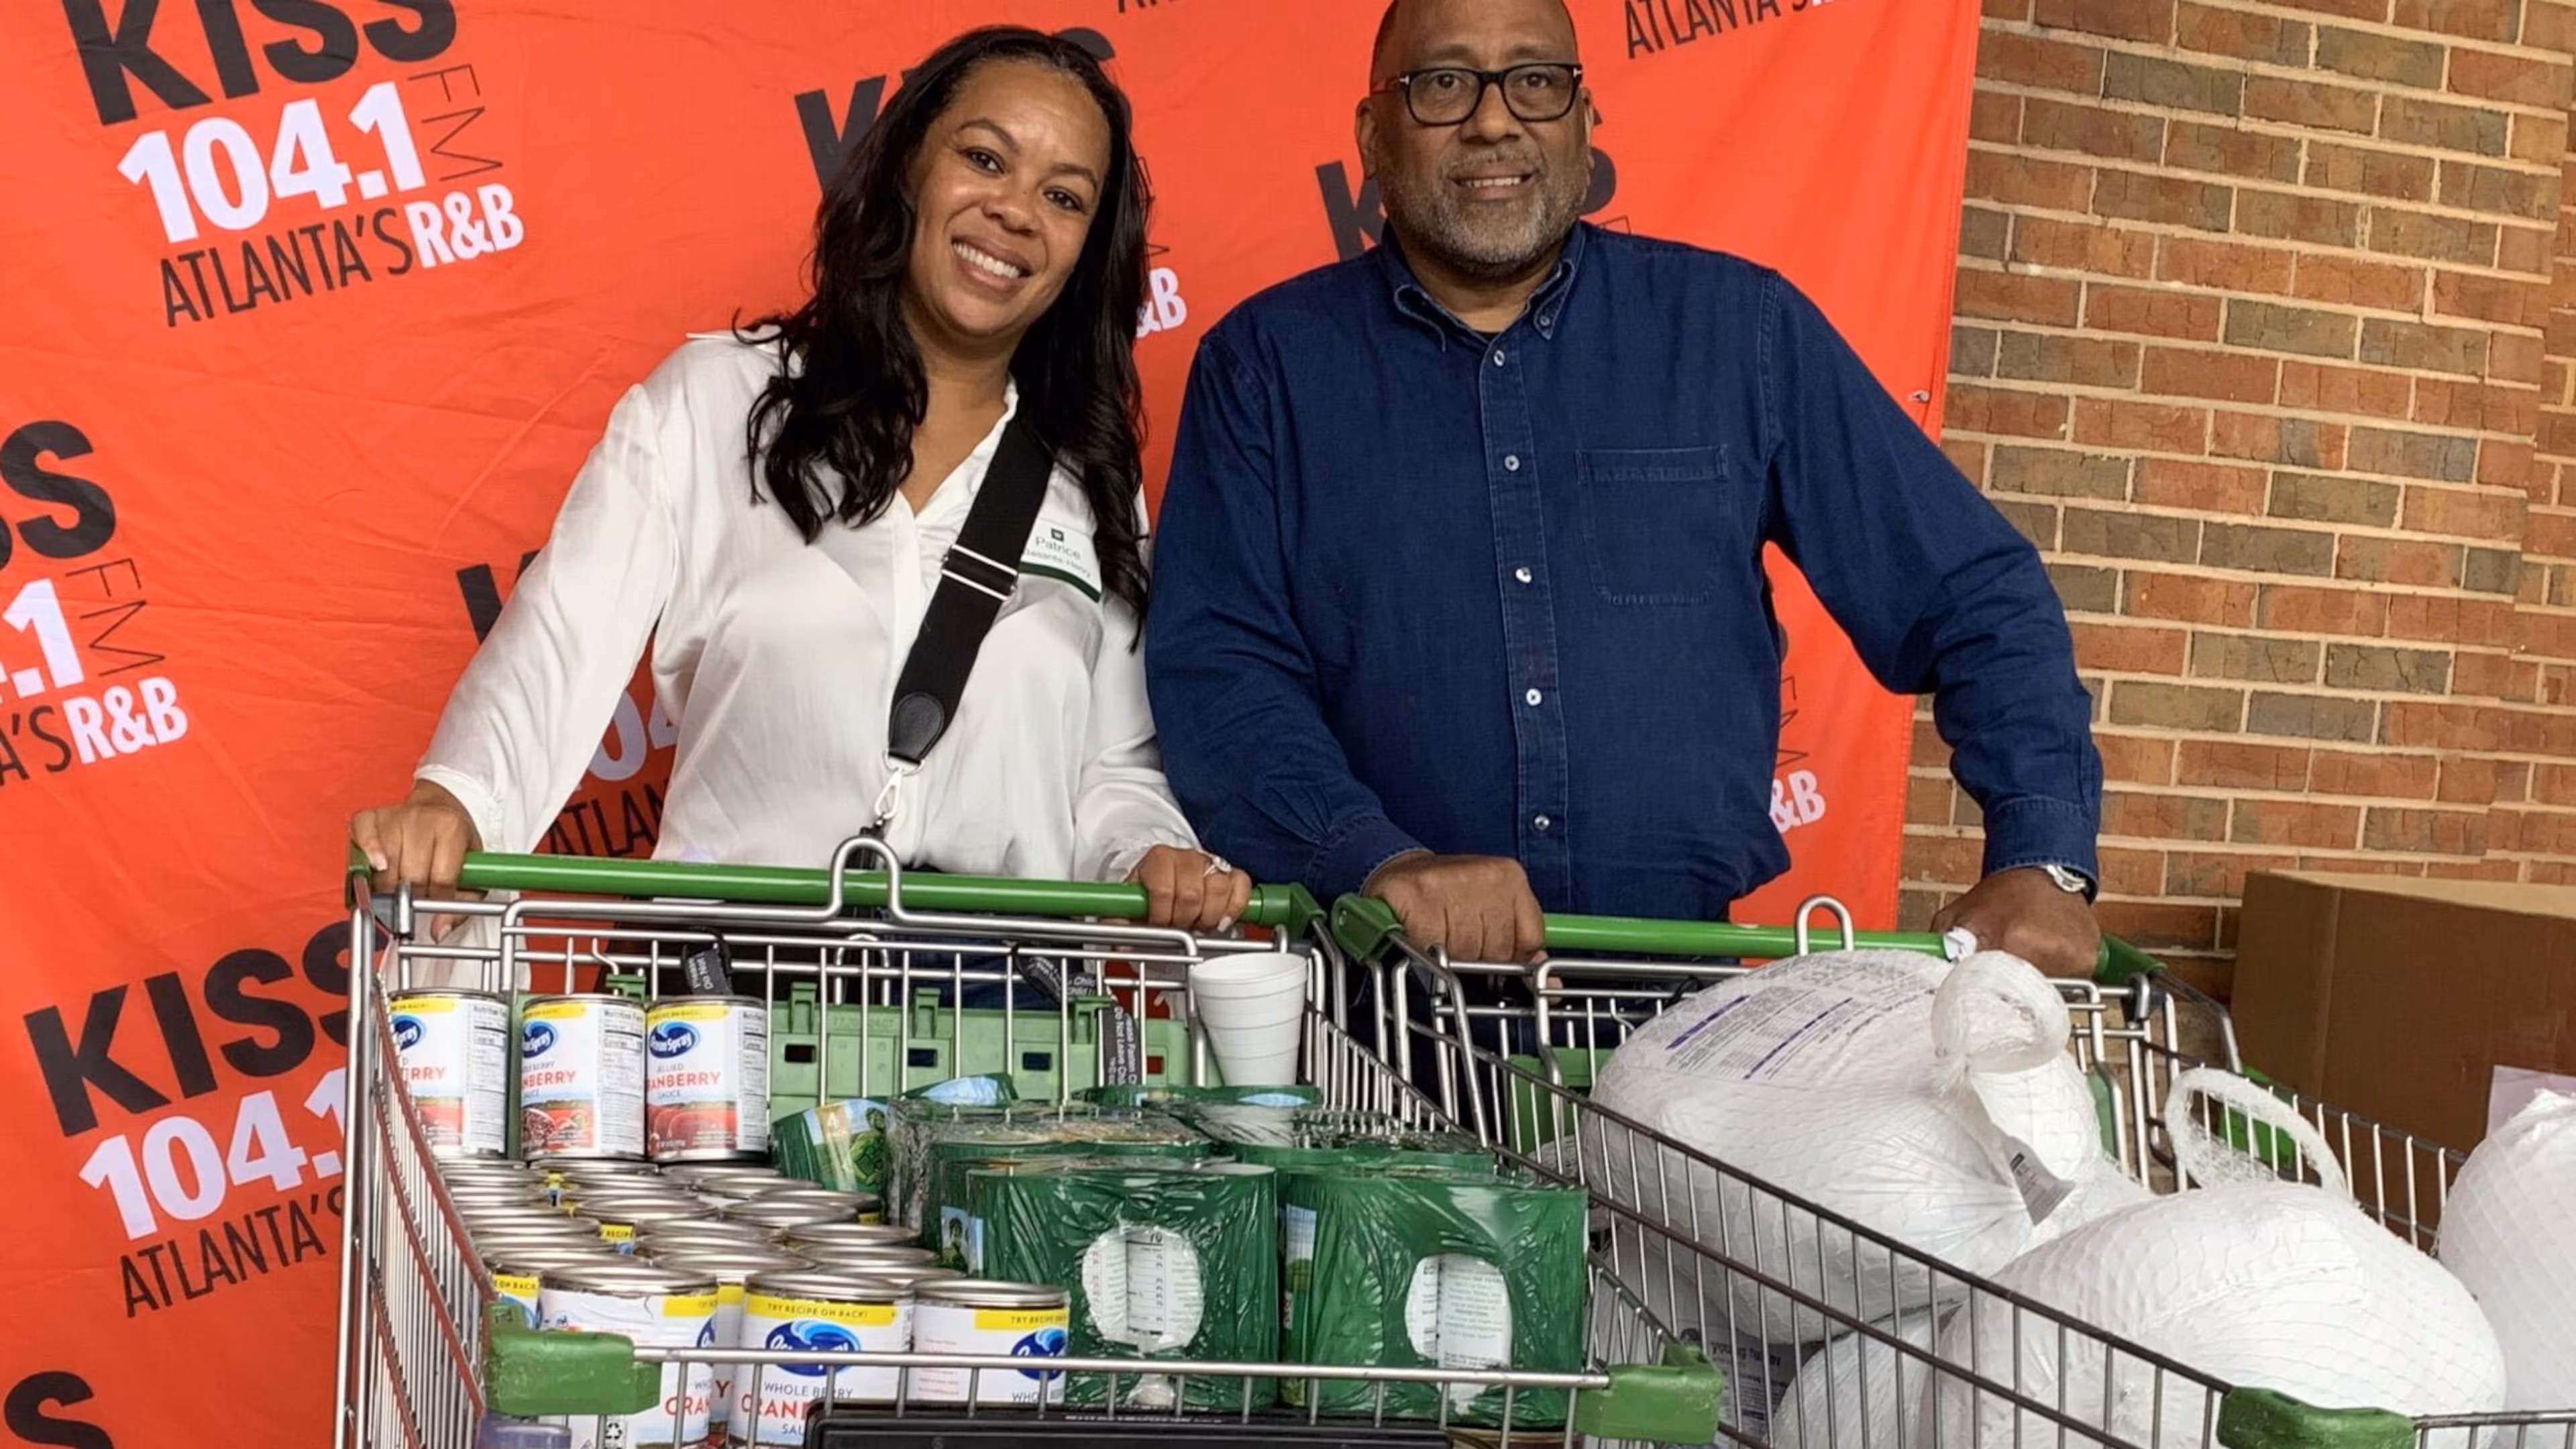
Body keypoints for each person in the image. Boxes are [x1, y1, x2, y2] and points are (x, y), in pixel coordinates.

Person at [1145, 0, 2103, 975]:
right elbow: (1222, 674)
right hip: (1371, 1005)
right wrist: (1377, 858)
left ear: (1585, 118)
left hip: (1674, 1013)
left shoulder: (1741, 335)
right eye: (1442, 85)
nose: (1493, 119)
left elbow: (1973, 594)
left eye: (1536, 80)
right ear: (1371, 132)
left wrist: (2043, 853)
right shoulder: (1266, 368)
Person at [352, 26, 1250, 937]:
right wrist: (459, 805)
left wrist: (1153, 851)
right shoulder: (717, 400)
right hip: (728, 1004)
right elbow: (562, 635)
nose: (1016, 211)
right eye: (985, 158)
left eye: (1063, 196)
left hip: (1004, 1013)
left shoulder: (1086, 475)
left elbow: (1110, 769)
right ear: (907, 166)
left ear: (1087, 250)